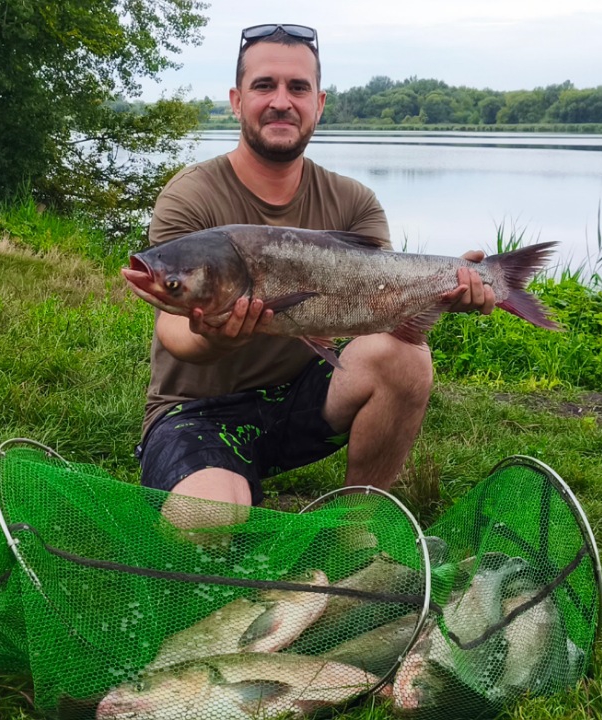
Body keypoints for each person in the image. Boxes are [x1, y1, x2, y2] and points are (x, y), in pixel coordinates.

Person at [126, 23, 494, 528]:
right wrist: (217, 338)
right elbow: (173, 332)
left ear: (319, 103)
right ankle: (223, 482)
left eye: (297, 88)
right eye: (264, 86)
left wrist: (443, 288)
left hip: (299, 398)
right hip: (196, 412)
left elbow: (381, 314)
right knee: (202, 524)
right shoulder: (191, 197)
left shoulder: (354, 202)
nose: (282, 101)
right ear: (236, 100)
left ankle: (353, 531)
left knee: (406, 357)